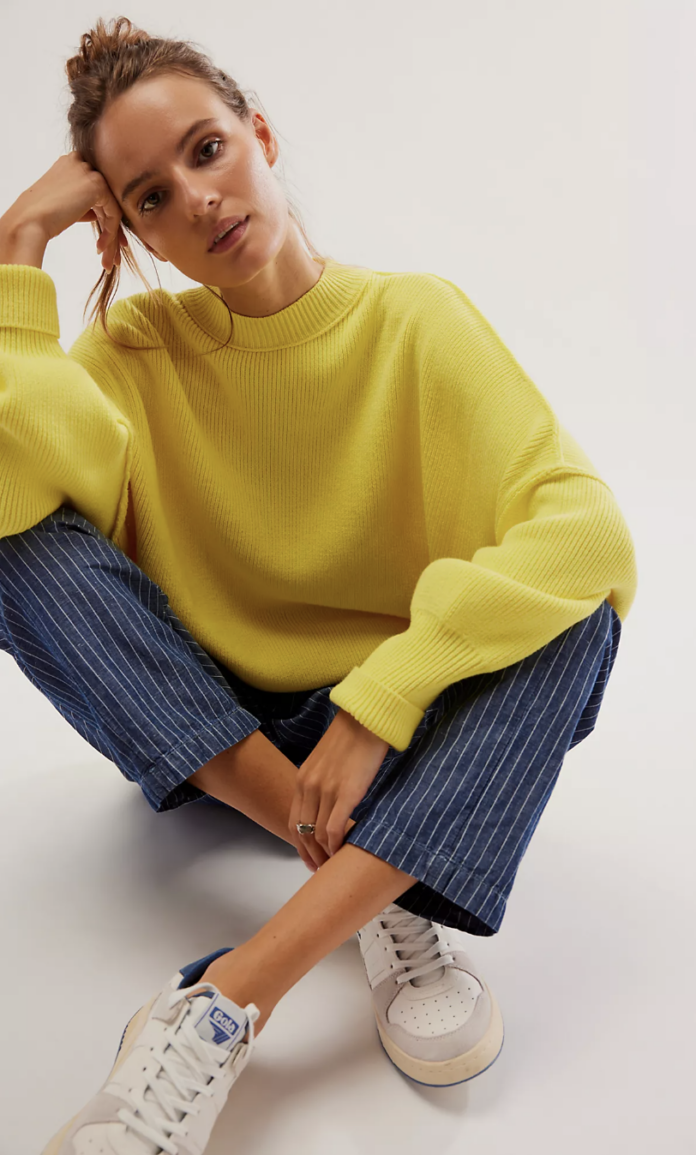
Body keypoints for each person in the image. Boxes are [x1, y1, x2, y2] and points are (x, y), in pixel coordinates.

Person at [0, 15, 637, 1154]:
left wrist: (380, 702)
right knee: (16, 543)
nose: (195, 200)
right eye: (148, 196)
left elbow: (586, 531)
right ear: (128, 228)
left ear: (262, 135)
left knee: (576, 618)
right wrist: (17, 245)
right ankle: (379, 874)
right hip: (213, 729)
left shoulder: (413, 320)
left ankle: (228, 997)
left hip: (388, 737)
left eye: (206, 150)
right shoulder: (135, 357)